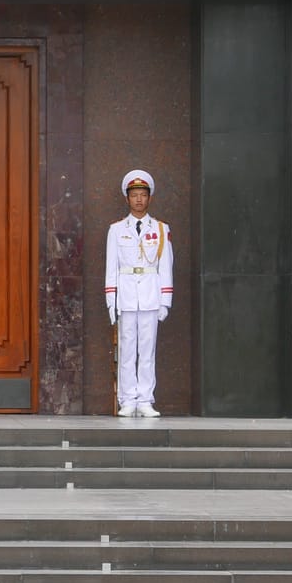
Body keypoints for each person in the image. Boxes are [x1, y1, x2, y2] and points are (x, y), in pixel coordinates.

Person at [104, 169, 173, 418]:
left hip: (151, 296)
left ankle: (145, 399)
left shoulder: (161, 229)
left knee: (147, 351)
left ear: (149, 198)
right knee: (126, 350)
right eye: (134, 195)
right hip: (126, 297)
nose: (139, 200)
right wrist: (111, 300)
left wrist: (165, 300)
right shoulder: (116, 230)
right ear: (127, 198)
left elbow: (165, 266)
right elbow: (111, 267)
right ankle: (127, 400)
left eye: (143, 195)